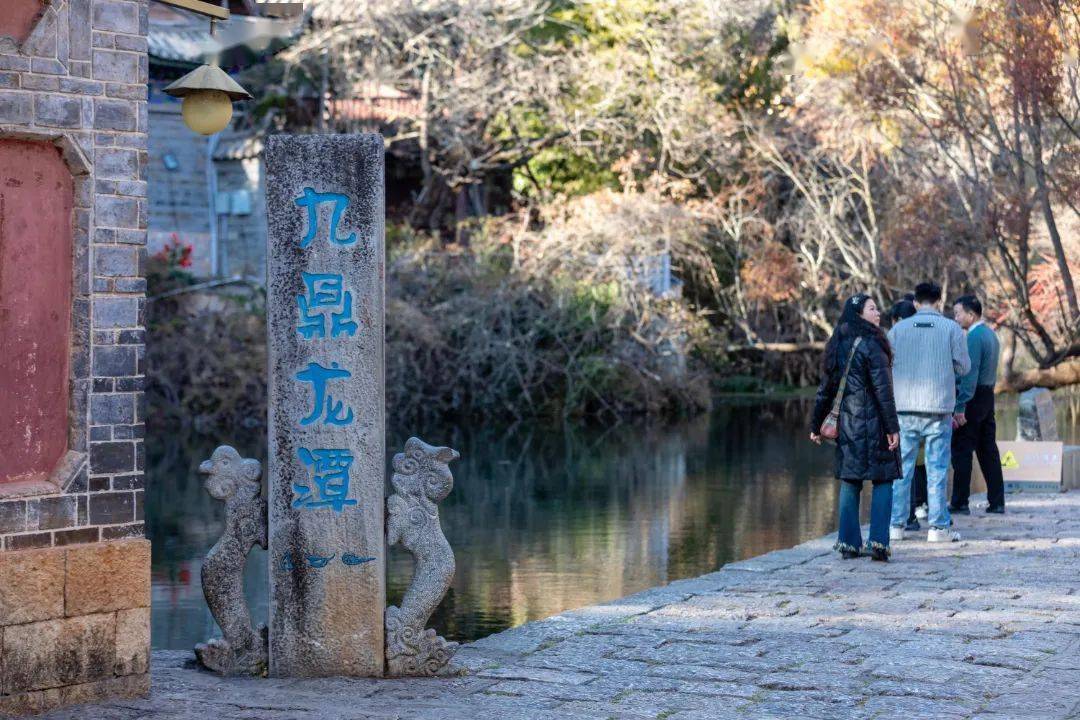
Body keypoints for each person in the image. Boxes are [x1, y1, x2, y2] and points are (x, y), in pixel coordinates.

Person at [810, 294, 901, 562]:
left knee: (850, 480)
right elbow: (883, 391)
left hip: (848, 426)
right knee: (884, 479)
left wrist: (816, 424)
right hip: (874, 424)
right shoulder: (873, 343)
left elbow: (824, 389)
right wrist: (892, 427)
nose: (878, 313)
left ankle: (849, 543)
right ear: (859, 314)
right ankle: (879, 543)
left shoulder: (837, 342)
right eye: (872, 308)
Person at [888, 281, 970, 543]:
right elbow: (963, 368)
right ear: (939, 300)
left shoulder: (897, 330)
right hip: (938, 406)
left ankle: (896, 526)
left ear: (915, 302)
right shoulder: (951, 328)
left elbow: (886, 365)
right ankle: (938, 528)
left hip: (904, 407)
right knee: (937, 468)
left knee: (902, 470)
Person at [949, 295, 1006, 514]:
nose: (955, 318)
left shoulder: (973, 337)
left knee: (962, 450)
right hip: (987, 396)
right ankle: (997, 501)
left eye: (958, 313)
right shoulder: (991, 334)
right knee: (988, 449)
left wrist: (960, 406)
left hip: (973, 398)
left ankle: (960, 501)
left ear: (971, 315)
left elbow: (969, 375)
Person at [889, 295, 928, 531]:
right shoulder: (927, 338)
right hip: (927, 406)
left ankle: (905, 517)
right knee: (922, 465)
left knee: (905, 465)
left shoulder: (896, 339)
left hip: (902, 408)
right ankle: (923, 513)